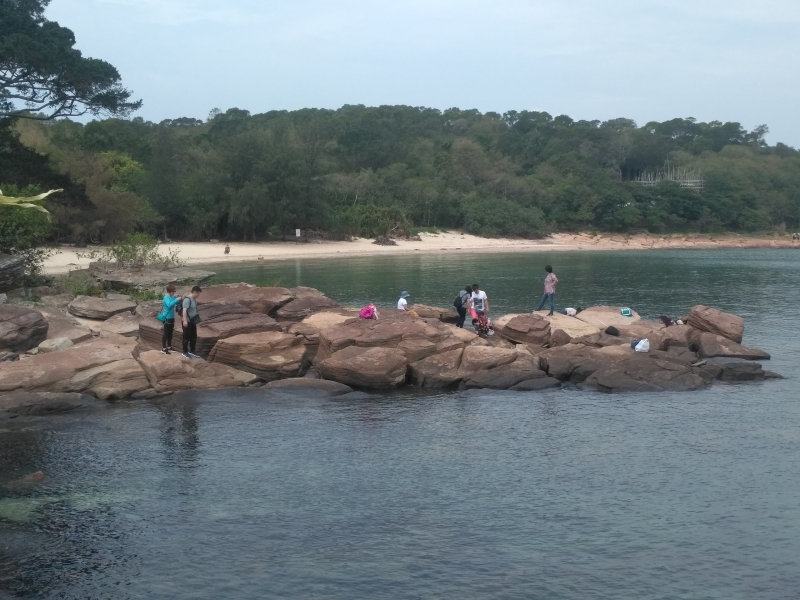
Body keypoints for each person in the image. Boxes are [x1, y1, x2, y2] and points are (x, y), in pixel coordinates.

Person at [159, 284, 182, 354]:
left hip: (172, 317)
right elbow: (169, 305)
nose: (174, 293)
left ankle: (169, 347)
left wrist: (179, 299)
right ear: (170, 291)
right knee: (166, 333)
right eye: (174, 291)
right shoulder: (166, 297)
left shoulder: (172, 297)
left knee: (170, 333)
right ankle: (163, 348)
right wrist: (176, 300)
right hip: (167, 317)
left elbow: (176, 302)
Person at [181, 286, 202, 359]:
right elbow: (184, 310)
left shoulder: (194, 300)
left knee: (193, 336)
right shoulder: (187, 300)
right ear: (195, 292)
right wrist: (185, 320)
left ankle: (192, 350)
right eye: (198, 293)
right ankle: (185, 351)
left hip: (193, 321)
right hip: (188, 321)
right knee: (186, 337)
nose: (198, 295)